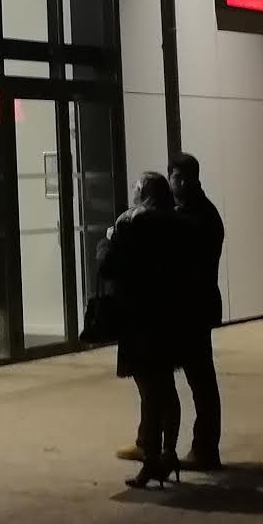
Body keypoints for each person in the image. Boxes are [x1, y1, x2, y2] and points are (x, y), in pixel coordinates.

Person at [95, 172, 200, 488]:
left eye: (136, 188)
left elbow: (109, 267)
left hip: (140, 318)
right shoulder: (181, 225)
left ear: (144, 193)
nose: (133, 193)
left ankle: (152, 459)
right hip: (172, 318)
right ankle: (168, 454)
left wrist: (105, 242)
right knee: (166, 387)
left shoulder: (131, 223)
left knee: (149, 392)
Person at [170, 151, 226, 469]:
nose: (173, 184)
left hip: (194, 307)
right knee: (200, 377)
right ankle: (204, 447)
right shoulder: (199, 212)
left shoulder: (197, 216)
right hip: (196, 305)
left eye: (175, 177)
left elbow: (186, 259)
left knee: (201, 379)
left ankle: (205, 448)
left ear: (183, 179)